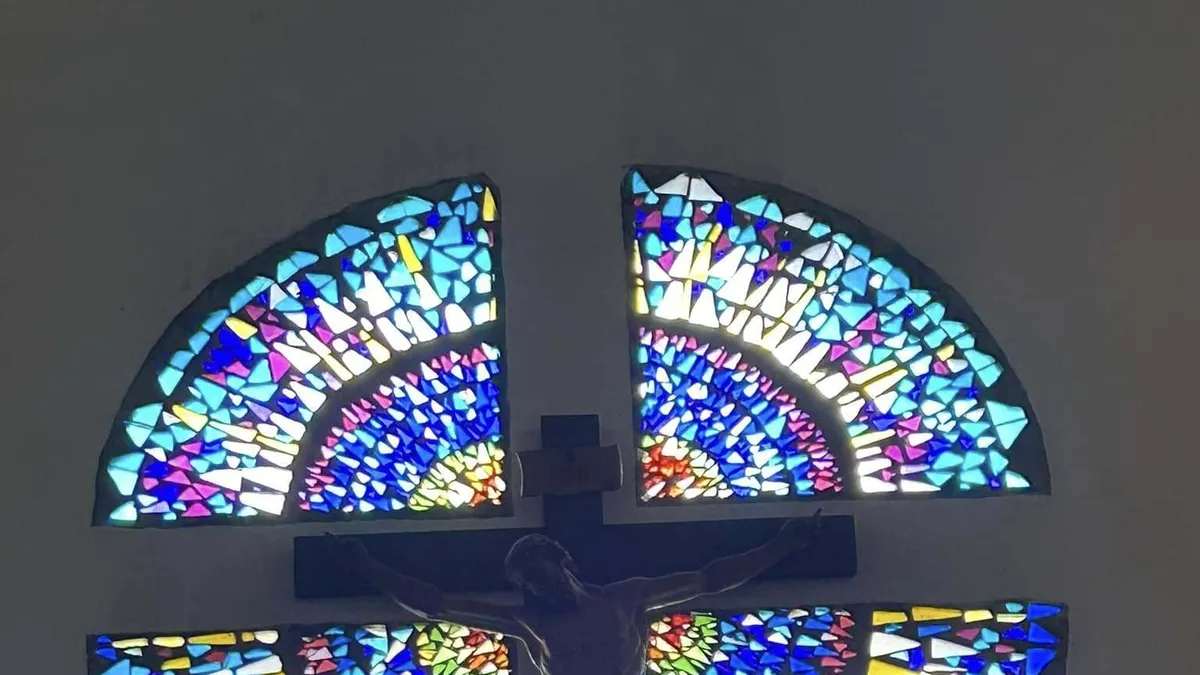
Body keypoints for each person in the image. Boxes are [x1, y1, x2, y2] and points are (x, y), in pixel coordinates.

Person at [333, 511, 822, 675]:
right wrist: (368, 568)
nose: (538, 588)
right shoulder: (529, 623)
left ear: (566, 565)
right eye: (528, 585)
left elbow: (708, 579)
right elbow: (438, 605)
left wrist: (780, 546)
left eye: (541, 575)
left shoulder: (626, 599)